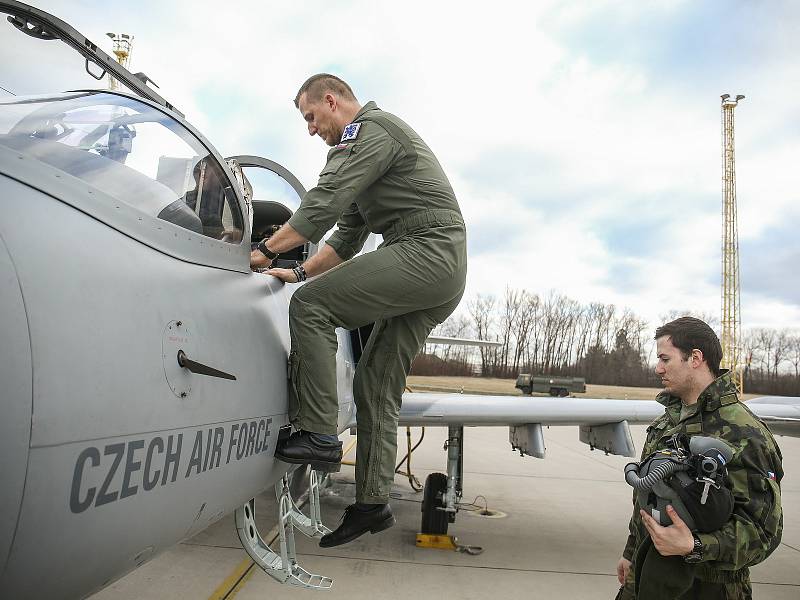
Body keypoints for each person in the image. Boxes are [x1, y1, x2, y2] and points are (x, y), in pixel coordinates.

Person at [250, 74, 467, 547]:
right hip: (441, 265)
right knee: (375, 384)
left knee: (310, 309)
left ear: (331, 101)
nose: (311, 130)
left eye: (311, 117)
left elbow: (322, 204)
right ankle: (372, 504)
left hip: (425, 249)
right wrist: (302, 271)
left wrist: (263, 253)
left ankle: (318, 433)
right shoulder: (369, 157)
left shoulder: (370, 132)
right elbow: (344, 237)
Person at [616, 317, 783, 599]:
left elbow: (764, 533)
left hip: (708, 588)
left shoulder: (746, 434)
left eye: (665, 359)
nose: (658, 368)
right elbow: (648, 499)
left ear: (695, 358)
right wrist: (632, 553)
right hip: (647, 580)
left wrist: (695, 545)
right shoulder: (665, 424)